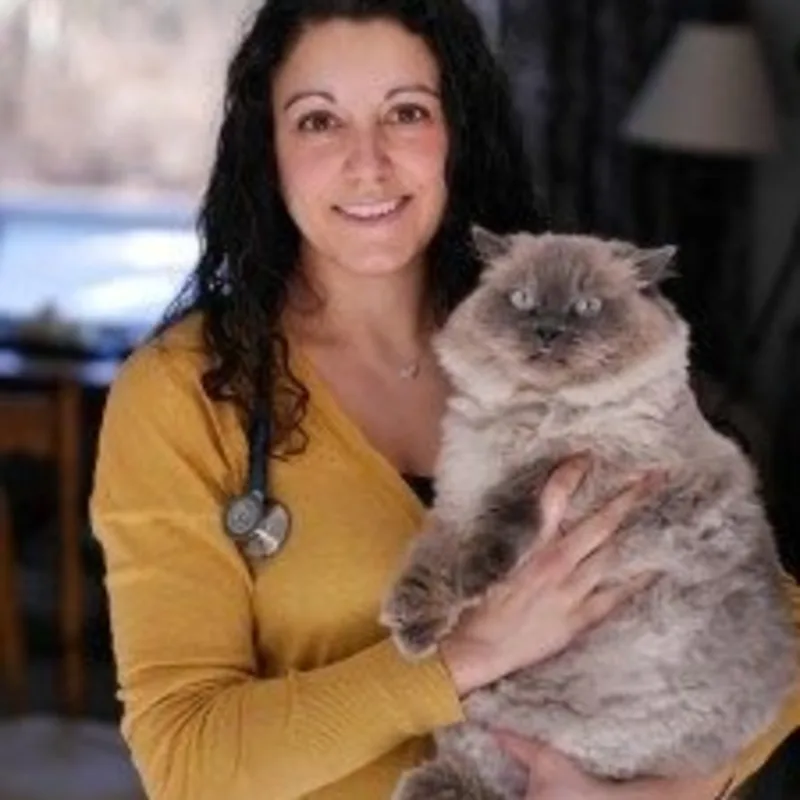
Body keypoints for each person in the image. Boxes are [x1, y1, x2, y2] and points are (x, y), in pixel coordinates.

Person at [89, 1, 800, 799]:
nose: (369, 162)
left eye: (407, 113)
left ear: (457, 135)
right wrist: (470, 655)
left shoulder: (585, 347)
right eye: (319, 121)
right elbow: (187, 761)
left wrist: (692, 786)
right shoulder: (182, 394)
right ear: (269, 151)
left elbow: (778, 621)